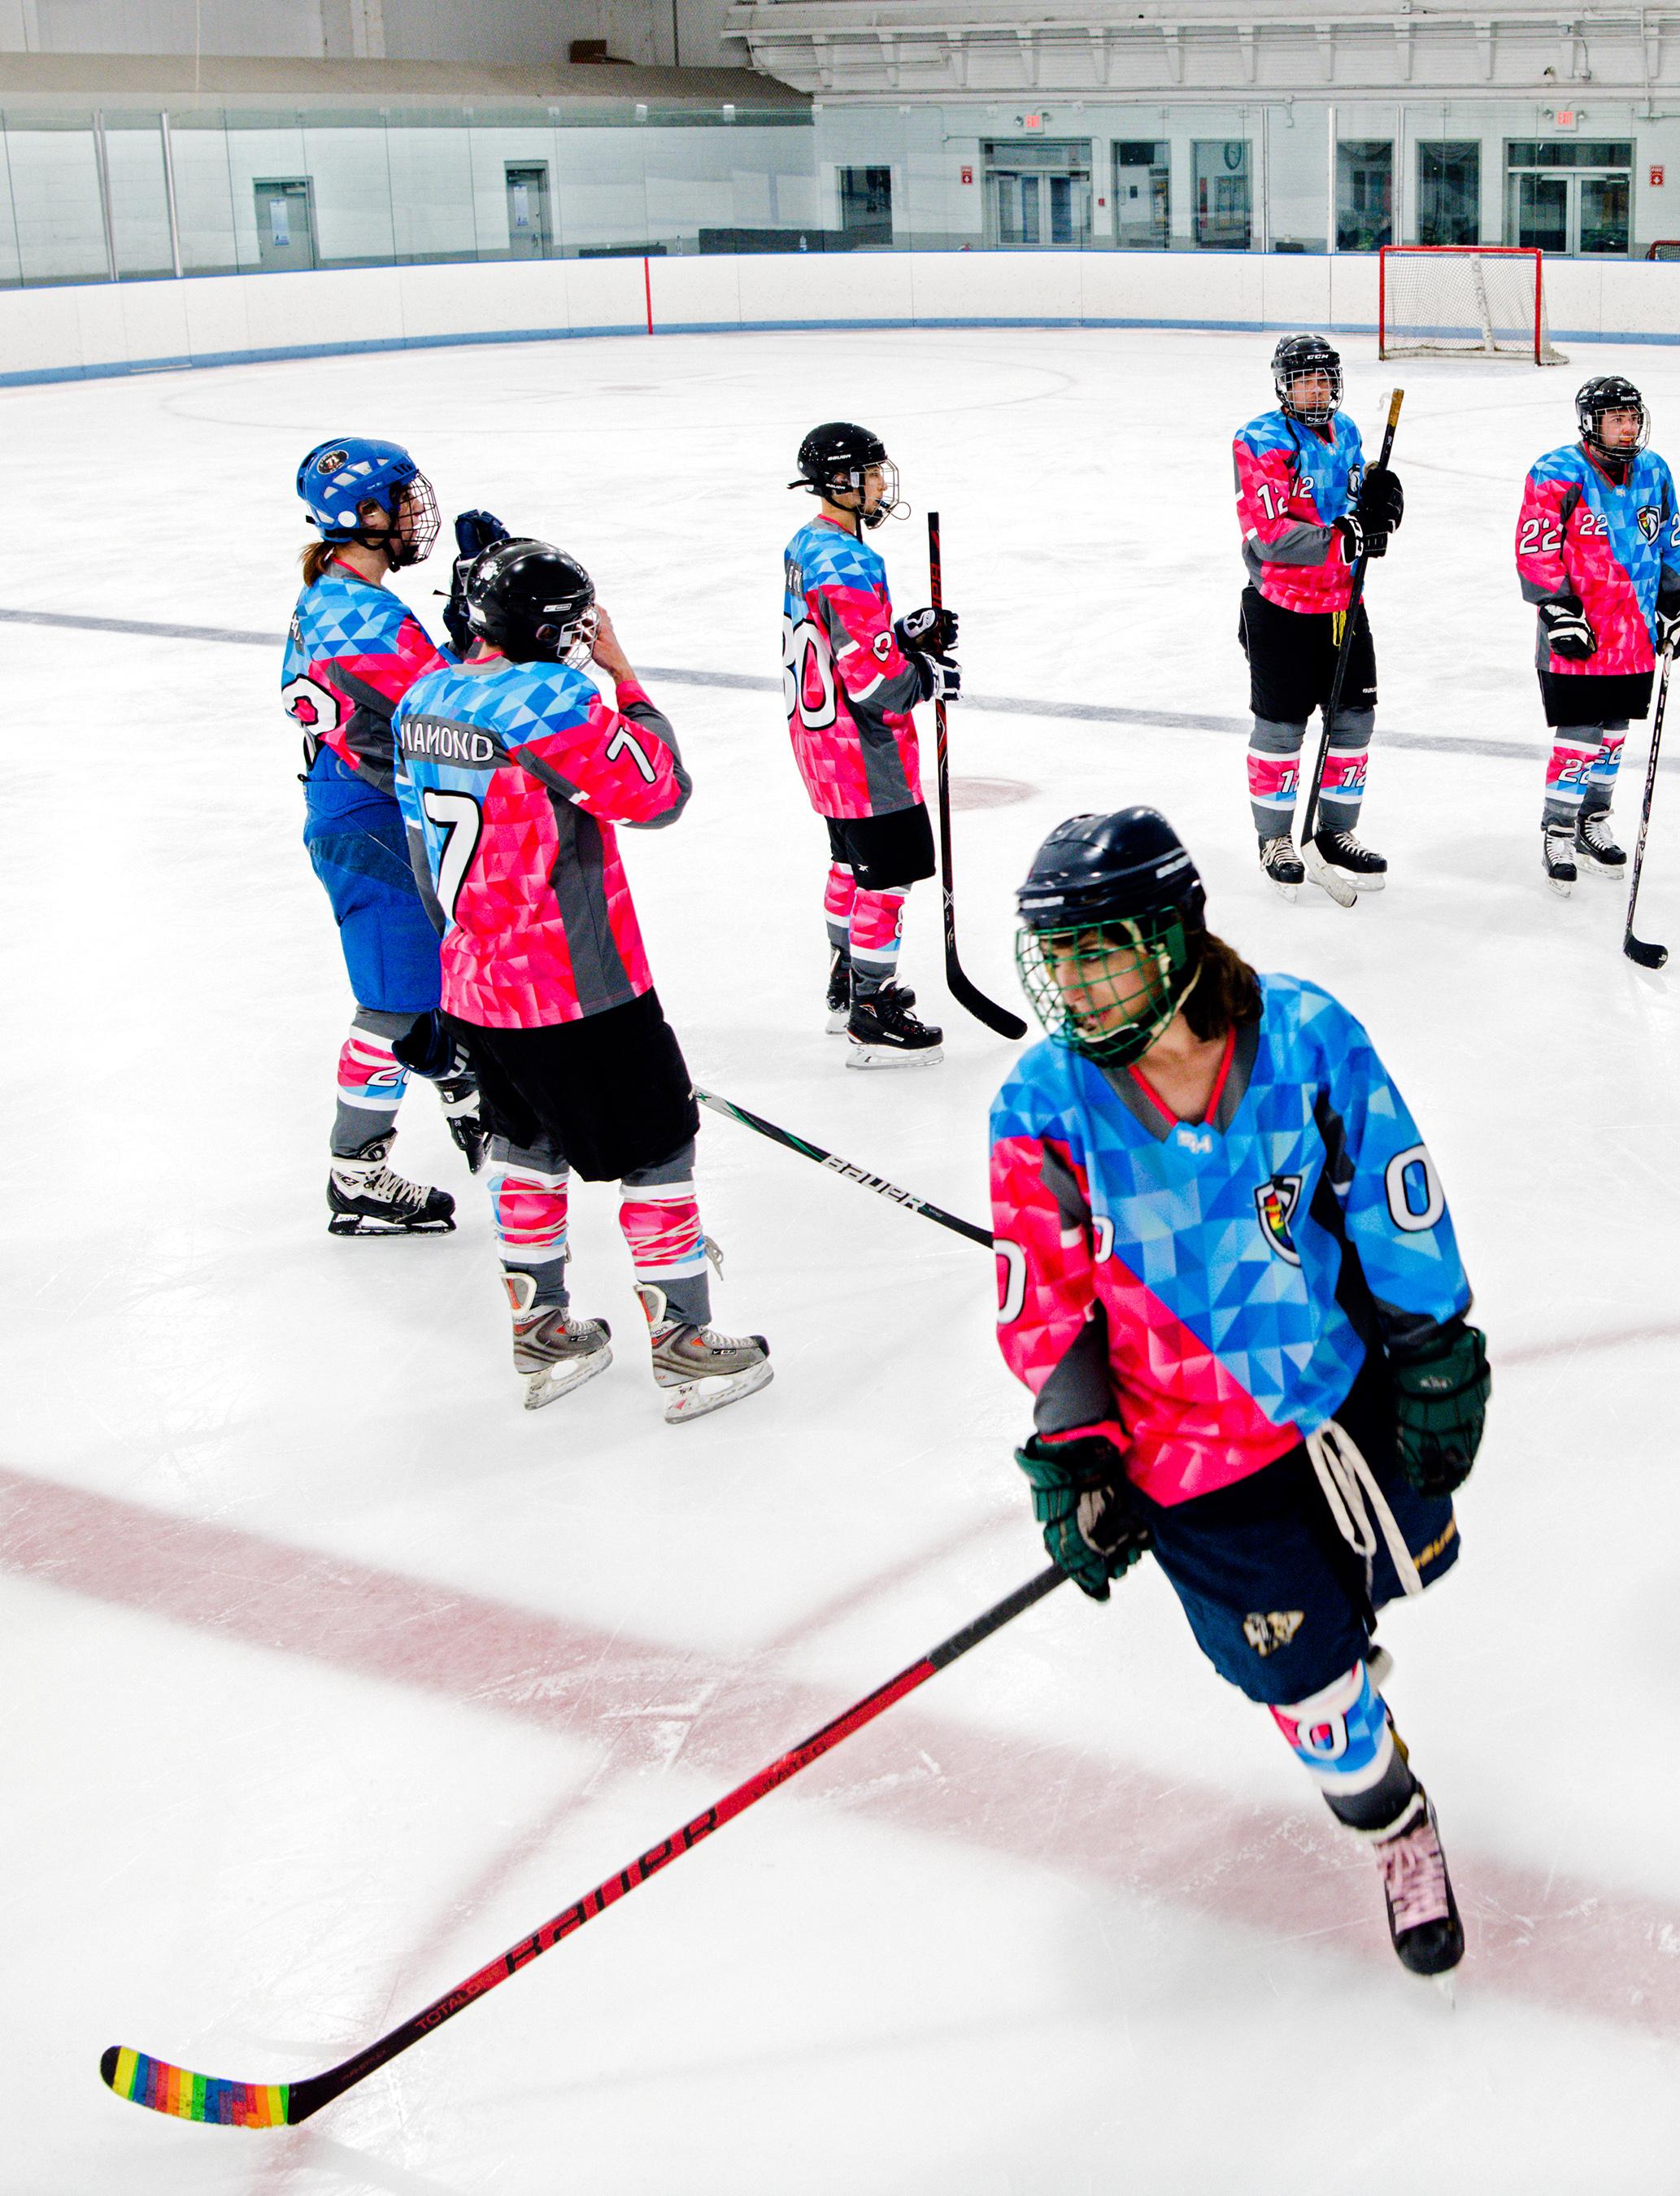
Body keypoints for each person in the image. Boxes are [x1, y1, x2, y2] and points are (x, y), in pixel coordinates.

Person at [988, 808, 1487, 1976]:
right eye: (1057, 959)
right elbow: (1046, 1300)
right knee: (1315, 1695)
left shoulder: (1306, 1036)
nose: (1074, 986)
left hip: (1339, 1408)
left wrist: (1431, 1345)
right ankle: (1395, 1822)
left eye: (1098, 950)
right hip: (1191, 1465)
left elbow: (1392, 1197)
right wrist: (1077, 1447)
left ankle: (1343, 1658)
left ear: (1172, 937)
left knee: (1376, 1604)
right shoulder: (1042, 1103)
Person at [391, 539, 773, 1423]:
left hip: (476, 983)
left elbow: (419, 851)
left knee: (527, 1143)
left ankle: (542, 1330)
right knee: (657, 1146)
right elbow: (657, 792)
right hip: (576, 985)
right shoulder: (550, 695)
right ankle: (684, 1342)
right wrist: (625, 677)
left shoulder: (422, 698)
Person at [283, 438, 485, 1235]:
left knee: (429, 981)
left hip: (363, 806)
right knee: (392, 1005)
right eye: (400, 501)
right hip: (367, 817)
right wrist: (487, 621)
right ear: (364, 516)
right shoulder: (358, 614)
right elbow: (454, 710)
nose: (413, 513)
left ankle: (465, 1089)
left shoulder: (336, 596)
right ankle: (356, 1170)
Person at [781, 420, 957, 1065]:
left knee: (847, 865)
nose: (883, 483)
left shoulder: (807, 544)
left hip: (818, 743)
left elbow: (842, 640)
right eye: (873, 472)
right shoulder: (854, 561)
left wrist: (902, 635)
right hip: (865, 753)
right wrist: (926, 675)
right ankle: (870, 1011)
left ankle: (844, 977)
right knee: (886, 880)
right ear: (842, 482)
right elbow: (877, 685)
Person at [1234, 335, 1404, 904]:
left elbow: (1356, 502)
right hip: (1282, 607)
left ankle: (1335, 831)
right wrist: (1344, 538)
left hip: (1342, 605)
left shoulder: (1350, 431)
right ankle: (1276, 839)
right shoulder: (1259, 439)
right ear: (1284, 385)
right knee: (1282, 726)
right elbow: (1270, 533)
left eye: (1324, 379)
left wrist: (1381, 499)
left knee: (1355, 719)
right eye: (1304, 379)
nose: (1316, 389)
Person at [1514, 373, 1680, 893]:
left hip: (1633, 631)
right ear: (1591, 423)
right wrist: (1558, 608)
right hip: (1579, 631)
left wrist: (1674, 600)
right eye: (1617, 418)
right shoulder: (1556, 472)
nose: (1628, 427)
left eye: (1633, 417)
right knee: (1580, 735)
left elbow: (1670, 542)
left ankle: (1593, 821)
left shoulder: (1654, 470)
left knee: (1613, 735)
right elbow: (1536, 550)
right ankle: (1558, 827)